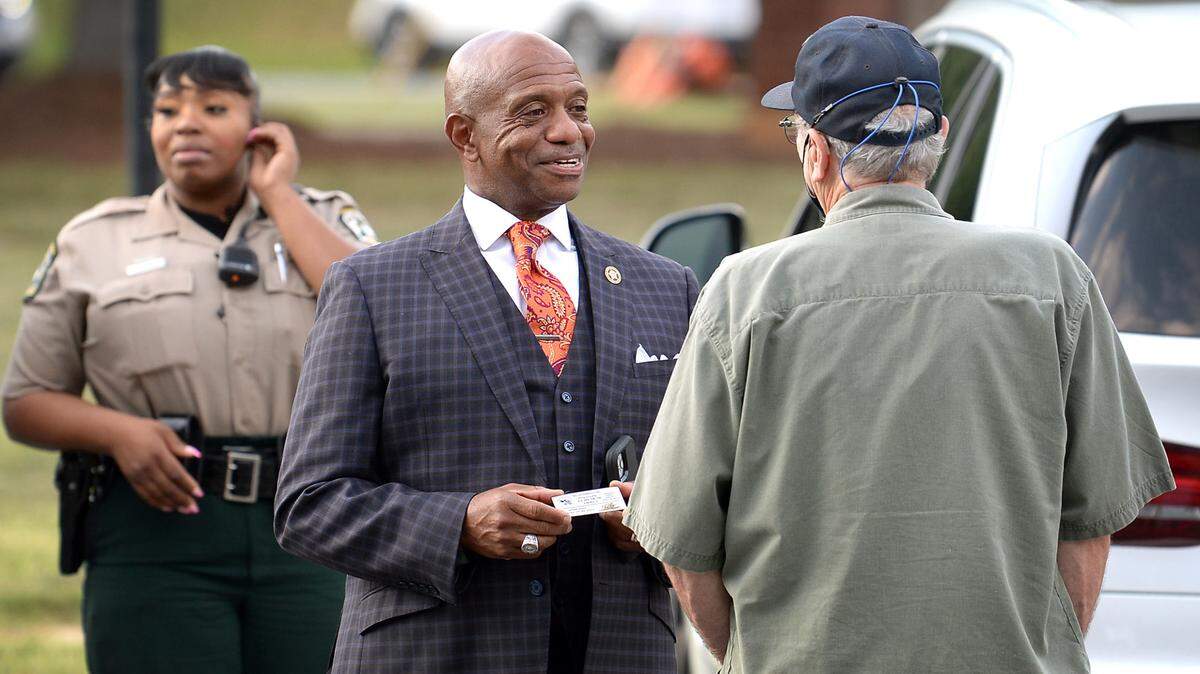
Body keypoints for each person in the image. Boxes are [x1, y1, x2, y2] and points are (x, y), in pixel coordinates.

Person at [624, 16, 1176, 673]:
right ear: (938, 136)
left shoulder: (746, 293)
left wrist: (753, 655)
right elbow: (1091, 525)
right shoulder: (1051, 278)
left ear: (817, 152)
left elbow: (682, 547)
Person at [274, 30, 695, 673]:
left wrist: (663, 519)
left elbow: (719, 483)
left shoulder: (664, 286)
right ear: (464, 135)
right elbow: (310, 503)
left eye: (578, 108)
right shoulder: (372, 286)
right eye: (533, 111)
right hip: (435, 654)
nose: (567, 132)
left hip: (618, 653)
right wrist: (459, 525)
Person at [2, 46, 377, 673]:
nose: (186, 123)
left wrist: (277, 193)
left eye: (214, 107)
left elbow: (375, 318)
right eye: (167, 110)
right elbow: (26, 402)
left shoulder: (323, 218)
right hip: (156, 529)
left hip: (313, 519)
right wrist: (118, 433)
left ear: (257, 128)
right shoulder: (94, 240)